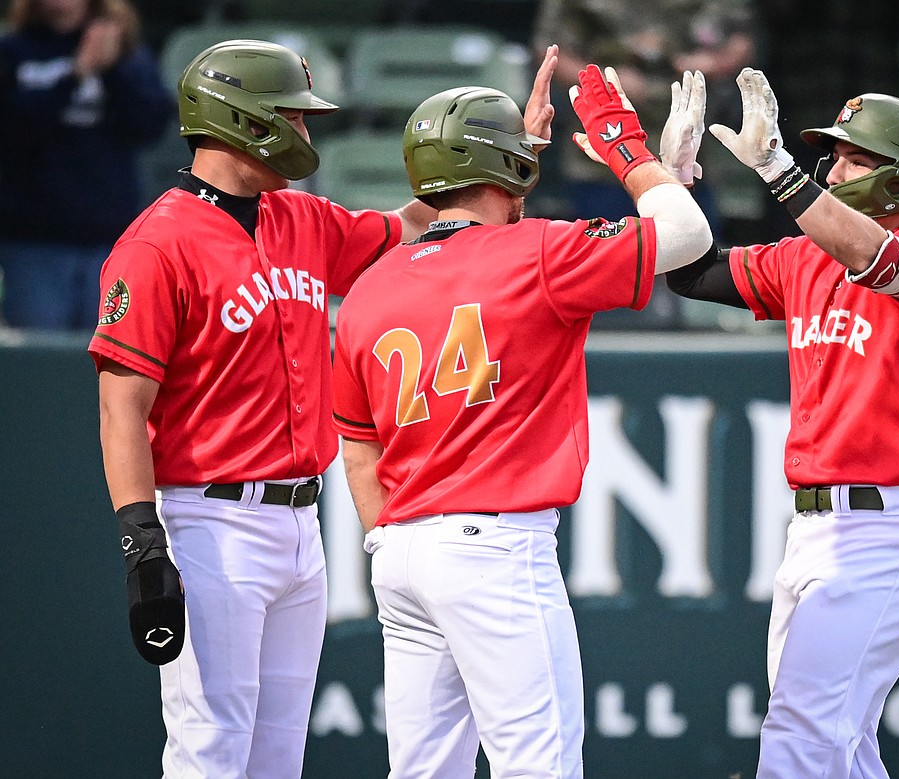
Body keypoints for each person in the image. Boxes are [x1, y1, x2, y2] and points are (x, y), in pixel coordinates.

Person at [330, 49, 712, 777]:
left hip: (402, 550)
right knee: (539, 765)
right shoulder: (536, 251)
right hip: (491, 546)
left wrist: (390, 540)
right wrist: (629, 154)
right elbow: (687, 235)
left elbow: (357, 449)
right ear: (508, 171)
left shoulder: (371, 288)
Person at [85, 38, 453, 778]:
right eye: (292, 114)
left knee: (278, 753)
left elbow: (411, 231)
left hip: (299, 523)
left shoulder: (301, 219)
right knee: (211, 746)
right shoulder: (156, 244)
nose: (306, 132)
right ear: (241, 118)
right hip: (210, 522)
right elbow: (121, 405)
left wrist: (501, 156)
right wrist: (141, 540)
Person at [664, 69, 899, 778]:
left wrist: (776, 168)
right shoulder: (804, 257)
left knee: (800, 737)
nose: (834, 169)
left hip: (885, 533)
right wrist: (669, 181)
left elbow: (878, 258)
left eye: (853, 157)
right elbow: (690, 273)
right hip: (816, 532)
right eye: (832, 155)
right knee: (842, 746)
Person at [531, 0, 756, 328]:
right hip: (605, 137)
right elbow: (549, 49)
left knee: (694, 254)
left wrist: (712, 62)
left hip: (684, 130)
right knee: (606, 258)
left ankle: (692, 334)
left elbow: (741, 37)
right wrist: (598, 78)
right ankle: (612, 334)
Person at [0, 0, 171, 330]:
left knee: (108, 359)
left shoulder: (123, 51)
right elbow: (13, 131)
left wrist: (112, 69)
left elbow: (149, 125)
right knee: (43, 363)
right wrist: (77, 74)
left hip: (110, 238)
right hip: (34, 239)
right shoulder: (15, 50)